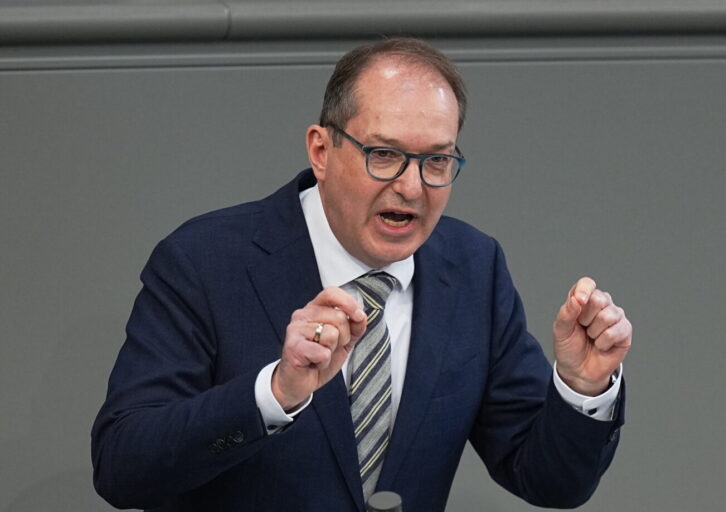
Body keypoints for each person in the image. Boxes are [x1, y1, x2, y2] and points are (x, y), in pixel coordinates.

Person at [92, 38, 632, 512]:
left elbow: (548, 479)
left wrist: (583, 389)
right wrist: (274, 393)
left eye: (437, 161)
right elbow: (122, 467)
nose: (412, 187)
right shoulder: (204, 262)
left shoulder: (473, 269)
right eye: (384, 154)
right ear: (322, 150)